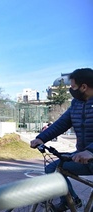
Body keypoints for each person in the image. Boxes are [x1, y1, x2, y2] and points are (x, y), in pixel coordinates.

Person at [30, 68, 93, 211]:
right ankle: (71, 200)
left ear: (83, 87)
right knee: (52, 168)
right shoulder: (76, 104)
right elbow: (62, 123)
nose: (71, 90)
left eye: (73, 87)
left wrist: (90, 151)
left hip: (89, 155)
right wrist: (41, 138)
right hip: (82, 158)